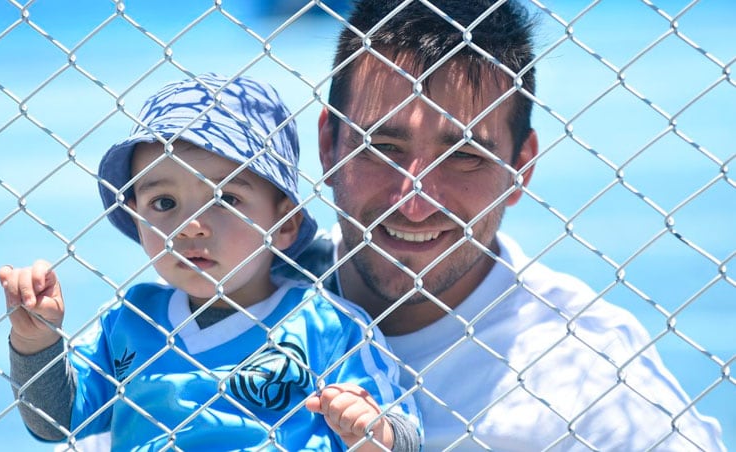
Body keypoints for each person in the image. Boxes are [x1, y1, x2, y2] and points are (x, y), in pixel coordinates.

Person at [275, 0, 727, 450]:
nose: (414, 202)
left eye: (465, 156)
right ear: (329, 146)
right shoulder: (244, 289)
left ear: (520, 167)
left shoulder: (590, 374)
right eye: (383, 146)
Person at [0, 74, 421, 451]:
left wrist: (371, 432)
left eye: (226, 200)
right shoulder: (129, 321)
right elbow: (54, 423)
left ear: (285, 223)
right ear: (136, 217)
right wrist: (37, 342)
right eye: (164, 203)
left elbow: (403, 429)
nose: (191, 227)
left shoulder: (327, 326)